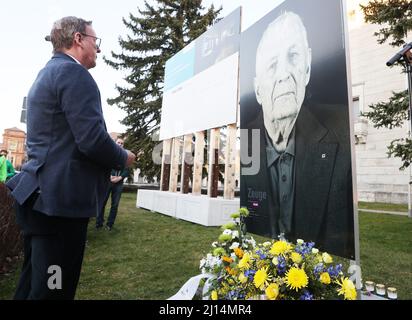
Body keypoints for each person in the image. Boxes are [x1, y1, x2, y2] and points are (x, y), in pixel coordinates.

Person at [6, 16, 136, 299]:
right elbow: (92, 140)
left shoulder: (48, 72)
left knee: (32, 286)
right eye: (95, 41)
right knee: (54, 291)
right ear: (78, 39)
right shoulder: (74, 74)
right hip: (58, 206)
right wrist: (123, 156)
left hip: (40, 200)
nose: (98, 49)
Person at [242, 11, 354, 258]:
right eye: (272, 65)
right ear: (258, 89)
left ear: (307, 68)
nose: (284, 74)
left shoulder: (342, 131)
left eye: (293, 56)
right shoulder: (247, 141)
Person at [96, 138, 130, 231]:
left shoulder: (126, 155)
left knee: (115, 205)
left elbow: (127, 169)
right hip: (107, 181)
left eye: (122, 143)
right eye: (118, 142)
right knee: (102, 202)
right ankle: (99, 223)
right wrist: (109, 176)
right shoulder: (109, 153)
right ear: (115, 143)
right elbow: (104, 165)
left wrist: (120, 177)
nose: (120, 144)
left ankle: (109, 224)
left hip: (118, 184)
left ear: (123, 145)